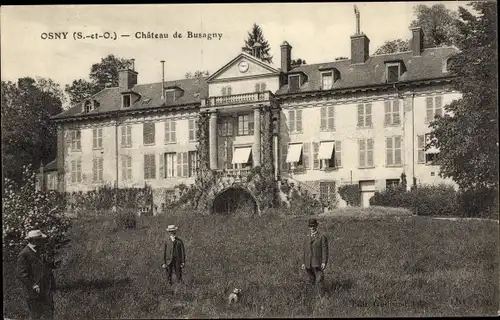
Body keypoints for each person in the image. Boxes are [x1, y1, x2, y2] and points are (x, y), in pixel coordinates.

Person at [17, 229, 60, 320]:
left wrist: (53, 264)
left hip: (45, 288)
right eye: (41, 240)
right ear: (34, 240)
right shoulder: (24, 254)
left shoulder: (39, 251)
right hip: (34, 292)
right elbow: (22, 274)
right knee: (36, 315)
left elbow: (43, 265)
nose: (43, 242)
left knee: (49, 313)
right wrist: (33, 285)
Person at [301, 219, 328, 293]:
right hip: (308, 262)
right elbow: (304, 250)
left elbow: (325, 251)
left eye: (313, 226)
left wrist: (324, 262)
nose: (312, 228)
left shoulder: (322, 237)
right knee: (311, 279)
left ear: (317, 226)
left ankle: (321, 296)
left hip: (317, 262)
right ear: (308, 227)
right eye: (310, 226)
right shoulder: (306, 237)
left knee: (319, 279)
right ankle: (312, 294)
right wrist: (303, 262)